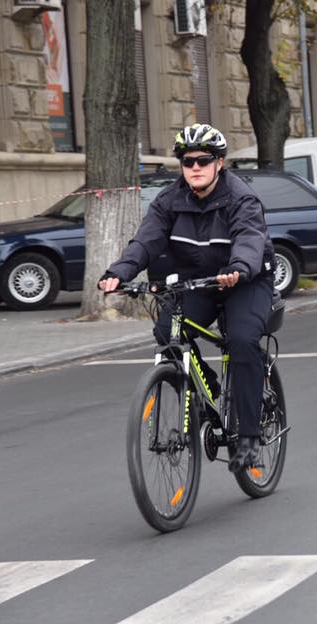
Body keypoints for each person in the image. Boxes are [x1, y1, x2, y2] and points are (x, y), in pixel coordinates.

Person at [98, 123, 276, 472]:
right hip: (202, 282)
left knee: (241, 341)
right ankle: (204, 382)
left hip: (246, 280)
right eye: (187, 161)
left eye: (203, 160)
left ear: (219, 163)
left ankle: (250, 438)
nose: (195, 167)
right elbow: (146, 241)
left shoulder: (241, 198)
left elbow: (249, 238)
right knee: (167, 333)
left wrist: (239, 267)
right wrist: (119, 272)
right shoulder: (169, 201)